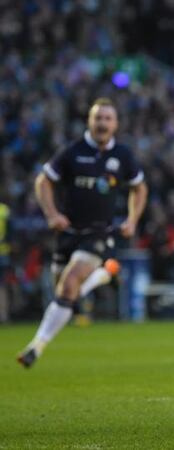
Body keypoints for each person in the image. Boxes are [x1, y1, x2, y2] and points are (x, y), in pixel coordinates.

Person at [16, 98, 147, 368]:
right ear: (89, 121)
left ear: (116, 124)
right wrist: (52, 214)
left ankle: (36, 347)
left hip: (99, 232)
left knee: (71, 281)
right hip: (68, 234)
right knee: (64, 294)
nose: (102, 124)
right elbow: (44, 181)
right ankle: (104, 275)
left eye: (108, 119)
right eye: (98, 118)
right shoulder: (72, 152)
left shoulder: (122, 156)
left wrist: (133, 219)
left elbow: (140, 188)